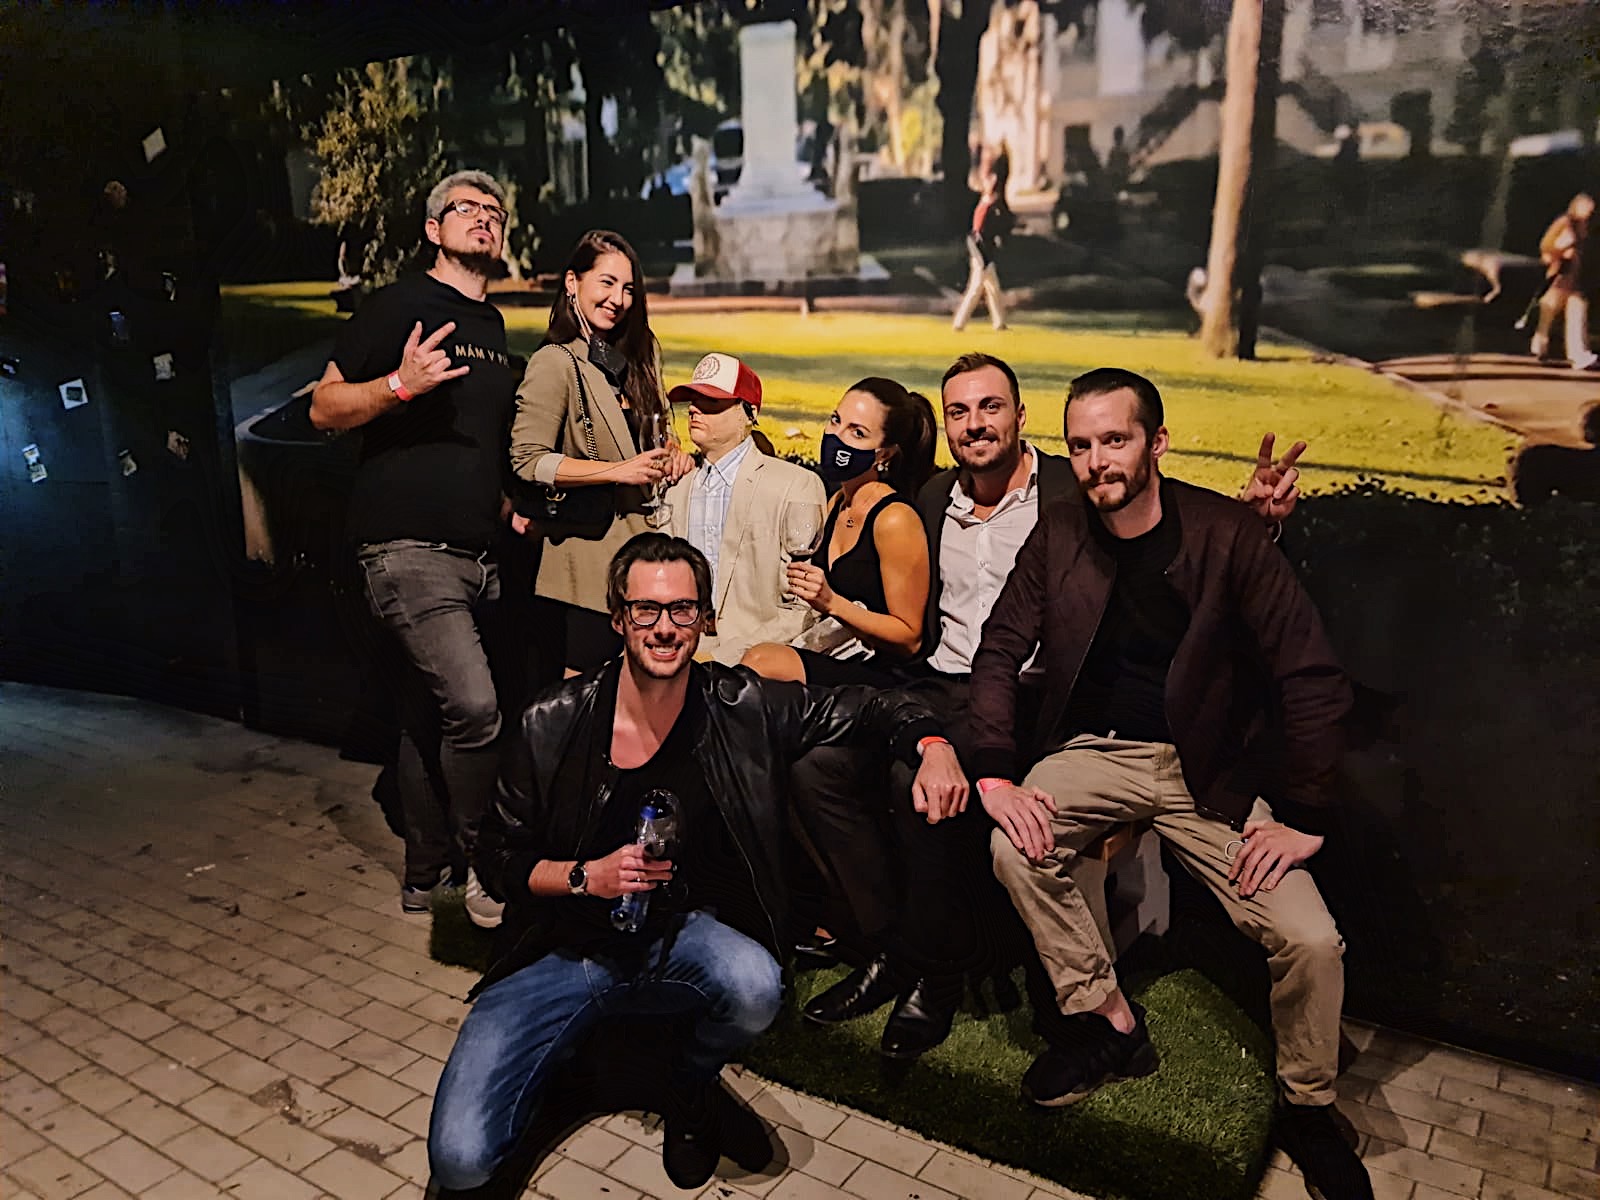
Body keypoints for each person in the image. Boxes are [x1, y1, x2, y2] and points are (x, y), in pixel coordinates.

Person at [791, 352, 1306, 1059]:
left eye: (990, 407)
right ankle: (887, 943)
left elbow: (1170, 520)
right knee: (818, 768)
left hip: (1033, 697)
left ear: (1021, 416)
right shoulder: (935, 497)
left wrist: (1254, 520)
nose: (975, 424)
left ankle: (935, 972)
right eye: (959, 411)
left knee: (919, 785)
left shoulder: (1074, 486)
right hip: (935, 682)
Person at [427, 533, 966, 1193]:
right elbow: (496, 856)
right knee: (460, 1161)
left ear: (705, 619)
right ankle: (570, 1063)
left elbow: (872, 705)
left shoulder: (739, 706)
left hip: (675, 935)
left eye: (682, 609)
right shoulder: (552, 719)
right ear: (618, 618)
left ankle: (686, 1084)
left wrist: (934, 745)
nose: (665, 627)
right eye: (646, 610)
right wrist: (585, 877)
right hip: (558, 950)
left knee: (754, 987)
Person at [969, 367, 1371, 1199]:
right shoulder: (1059, 531)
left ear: (1156, 442)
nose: (1096, 461)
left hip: (1205, 765)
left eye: (1114, 440)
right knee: (1015, 846)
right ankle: (1109, 1019)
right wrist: (998, 777)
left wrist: (1303, 814)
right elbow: (999, 649)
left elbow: (1310, 675)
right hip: (1095, 750)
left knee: (1310, 938)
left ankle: (1307, 1107)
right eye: (1081, 445)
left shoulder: (1227, 532)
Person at [309, 169, 516, 929]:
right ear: (433, 230)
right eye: (467, 209)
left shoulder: (492, 326)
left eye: (495, 212)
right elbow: (324, 406)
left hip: (481, 558)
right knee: (477, 710)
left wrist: (510, 506)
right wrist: (398, 383)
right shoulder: (399, 305)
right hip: (407, 551)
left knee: (429, 716)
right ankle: (487, 867)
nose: (484, 219)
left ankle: (424, 874)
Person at [510, 230, 694, 677]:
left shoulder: (632, 360)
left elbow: (650, 442)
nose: (619, 299)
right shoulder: (556, 362)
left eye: (628, 288)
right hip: (585, 566)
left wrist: (674, 456)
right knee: (585, 699)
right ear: (572, 282)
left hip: (644, 562)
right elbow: (528, 459)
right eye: (607, 283)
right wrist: (617, 471)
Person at [740, 378, 937, 685]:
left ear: (884, 454)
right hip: (836, 655)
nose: (836, 436)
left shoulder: (894, 519)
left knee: (763, 663)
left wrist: (831, 602)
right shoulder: (837, 502)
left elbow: (909, 638)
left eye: (857, 432)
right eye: (835, 420)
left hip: (882, 674)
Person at [663, 352, 828, 664]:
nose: (694, 410)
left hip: (756, 663)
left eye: (711, 402)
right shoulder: (675, 487)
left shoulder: (795, 484)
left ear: (748, 413)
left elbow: (802, 608)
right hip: (677, 654)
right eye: (692, 401)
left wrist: (723, 657)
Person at [1531, 192, 1597, 370]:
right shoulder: (1564, 222)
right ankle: (1539, 346)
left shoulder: (1585, 226)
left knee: (1578, 312)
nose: (1589, 211)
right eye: (1586, 207)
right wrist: (1562, 249)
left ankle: (1579, 355)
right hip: (1559, 276)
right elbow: (1546, 245)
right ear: (1576, 206)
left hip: (1574, 279)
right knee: (1548, 314)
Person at [952, 167, 1010, 333]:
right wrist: (982, 258)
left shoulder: (990, 204)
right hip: (981, 251)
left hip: (985, 251)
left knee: (992, 288)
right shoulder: (985, 206)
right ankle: (959, 323)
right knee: (976, 289)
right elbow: (978, 233)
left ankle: (999, 323)